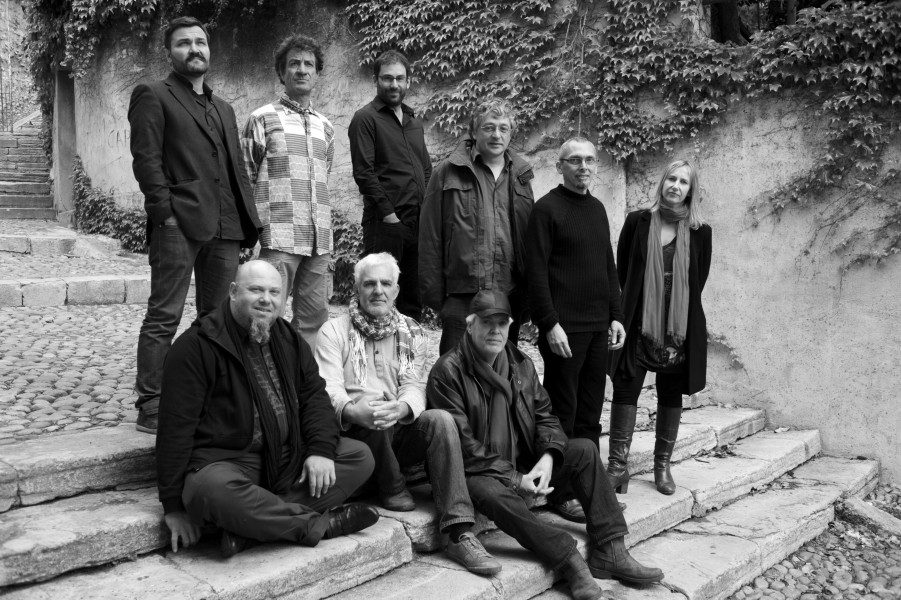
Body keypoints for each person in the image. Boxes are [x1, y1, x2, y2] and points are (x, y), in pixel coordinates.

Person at [427, 290, 664, 600]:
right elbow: (464, 446)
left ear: (511, 325)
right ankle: (568, 560)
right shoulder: (447, 371)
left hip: (521, 459)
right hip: (476, 471)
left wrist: (550, 456)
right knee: (493, 494)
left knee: (585, 450)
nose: (495, 331)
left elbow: (545, 417)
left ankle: (611, 549)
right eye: (486, 323)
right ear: (470, 325)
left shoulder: (520, 364)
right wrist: (516, 479)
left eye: (502, 323)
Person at [155, 260, 379, 558]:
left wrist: (320, 451)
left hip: (286, 457)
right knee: (208, 490)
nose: (266, 299)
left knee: (359, 457)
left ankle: (250, 529)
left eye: (274, 292)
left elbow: (315, 398)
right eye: (256, 290)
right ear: (233, 292)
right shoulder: (195, 346)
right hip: (228, 462)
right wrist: (172, 507)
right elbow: (174, 428)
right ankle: (318, 525)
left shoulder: (289, 339)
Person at [315, 252, 501, 575]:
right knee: (370, 410)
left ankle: (459, 531)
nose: (378, 291)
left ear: (397, 290)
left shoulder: (412, 331)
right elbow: (329, 390)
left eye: (385, 284)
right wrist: (355, 410)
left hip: (398, 431)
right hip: (356, 440)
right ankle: (391, 486)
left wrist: (401, 407)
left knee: (440, 419)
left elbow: (414, 385)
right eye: (369, 284)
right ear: (356, 289)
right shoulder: (333, 331)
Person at [129, 16, 262, 435]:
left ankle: (206, 395)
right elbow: (146, 159)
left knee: (218, 318)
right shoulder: (153, 94)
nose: (194, 49)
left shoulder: (224, 108)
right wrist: (164, 214)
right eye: (184, 43)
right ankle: (151, 403)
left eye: (200, 42)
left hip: (226, 225)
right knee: (164, 315)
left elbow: (235, 168)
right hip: (179, 223)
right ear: (169, 52)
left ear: (209, 49)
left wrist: (247, 224)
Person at [525, 137, 626, 523]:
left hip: (598, 328)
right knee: (563, 414)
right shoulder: (546, 209)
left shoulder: (597, 209)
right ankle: (561, 493)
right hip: (564, 332)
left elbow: (607, 265)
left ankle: (590, 490)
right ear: (560, 166)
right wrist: (549, 324)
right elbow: (536, 272)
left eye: (590, 160)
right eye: (575, 160)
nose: (584, 166)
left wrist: (616, 315)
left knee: (590, 413)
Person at [607, 159, 712, 496]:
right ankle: (617, 468)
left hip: (678, 330)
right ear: (662, 183)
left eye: (683, 182)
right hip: (638, 324)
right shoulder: (637, 222)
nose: (675, 186)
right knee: (625, 388)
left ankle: (662, 467)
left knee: (670, 394)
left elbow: (698, 281)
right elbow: (624, 272)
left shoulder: (700, 232)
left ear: (690, 190)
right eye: (671, 179)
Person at [419, 98, 535, 355]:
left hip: (508, 294)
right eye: (489, 127)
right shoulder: (447, 172)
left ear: (511, 133)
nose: (496, 135)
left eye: (503, 128)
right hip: (462, 295)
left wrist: (528, 295)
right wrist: (437, 298)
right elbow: (430, 236)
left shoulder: (521, 176)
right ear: (473, 131)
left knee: (502, 370)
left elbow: (529, 240)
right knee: (455, 369)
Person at [242, 34, 333, 349]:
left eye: (309, 64)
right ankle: (262, 374)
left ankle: (301, 375)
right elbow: (246, 177)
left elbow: (323, 175)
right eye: (294, 63)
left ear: (317, 73)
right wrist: (250, 235)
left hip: (319, 241)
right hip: (278, 237)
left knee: (314, 321)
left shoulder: (326, 127)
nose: (302, 70)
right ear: (282, 72)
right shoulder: (262, 118)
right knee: (266, 316)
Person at [349, 50, 431, 318]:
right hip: (385, 225)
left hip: (417, 224)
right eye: (387, 78)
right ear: (376, 80)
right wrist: (389, 216)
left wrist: (426, 211)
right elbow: (364, 173)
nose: (394, 84)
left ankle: (407, 346)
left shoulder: (413, 121)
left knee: (412, 299)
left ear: (409, 81)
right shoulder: (365, 118)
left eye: (400, 78)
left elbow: (425, 168)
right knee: (377, 299)